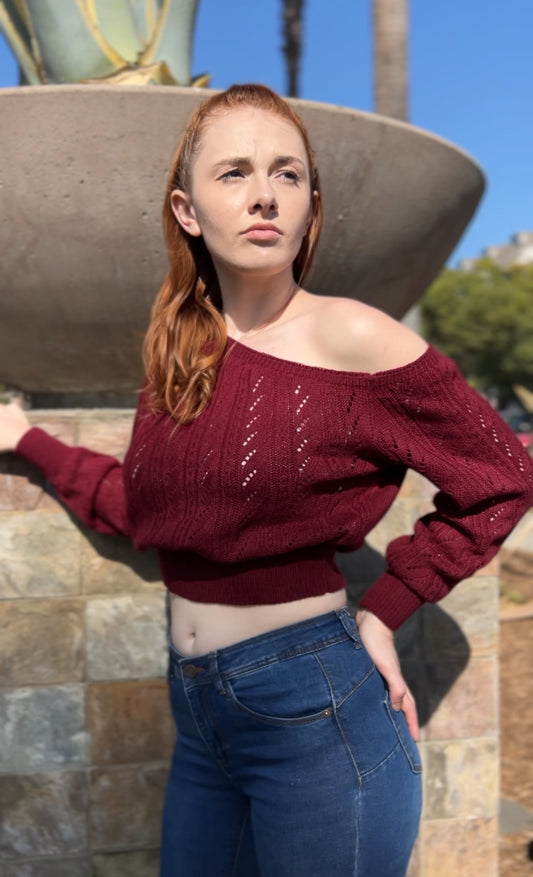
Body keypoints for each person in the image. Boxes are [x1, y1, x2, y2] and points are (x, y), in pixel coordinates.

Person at [1, 83, 531, 877]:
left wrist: (385, 609)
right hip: (198, 714)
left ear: (311, 205)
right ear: (187, 210)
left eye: (287, 175)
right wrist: (28, 438)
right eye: (234, 173)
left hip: (314, 711)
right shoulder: (178, 356)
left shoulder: (351, 334)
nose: (263, 196)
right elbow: (140, 512)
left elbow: (502, 474)